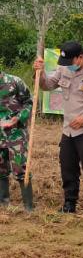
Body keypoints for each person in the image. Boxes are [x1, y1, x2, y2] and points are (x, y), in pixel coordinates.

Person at [33, 41, 83, 215]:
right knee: (67, 167)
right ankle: (70, 203)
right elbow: (48, 85)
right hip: (68, 129)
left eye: (71, 62)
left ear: (80, 57)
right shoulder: (64, 68)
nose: (68, 66)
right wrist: (39, 72)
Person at [0, 71, 34, 211]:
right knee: (1, 169)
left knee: (21, 168)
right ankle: (3, 205)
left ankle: (29, 207)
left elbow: (29, 102)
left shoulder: (14, 81)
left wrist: (19, 118)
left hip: (16, 134)